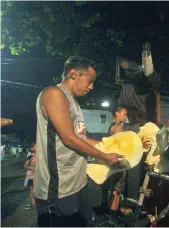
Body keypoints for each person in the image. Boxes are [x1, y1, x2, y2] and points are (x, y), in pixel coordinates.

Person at [34, 56, 123, 227]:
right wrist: (103, 156)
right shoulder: (54, 93)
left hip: (77, 183)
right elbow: (69, 138)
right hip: (57, 188)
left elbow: (83, 138)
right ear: (73, 74)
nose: (92, 87)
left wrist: (112, 146)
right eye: (90, 81)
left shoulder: (74, 103)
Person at [24, 142, 37, 210]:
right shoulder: (30, 156)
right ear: (32, 148)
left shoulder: (41, 156)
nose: (37, 147)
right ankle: (33, 203)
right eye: (35, 146)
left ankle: (40, 203)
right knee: (32, 190)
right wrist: (31, 168)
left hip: (39, 176)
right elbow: (25, 166)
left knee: (39, 189)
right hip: (31, 176)